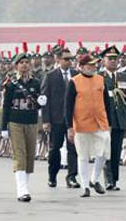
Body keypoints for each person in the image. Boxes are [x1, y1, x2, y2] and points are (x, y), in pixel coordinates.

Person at [1, 43, 48, 202]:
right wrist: (3, 127)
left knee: (29, 155)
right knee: (19, 154)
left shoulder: (36, 82)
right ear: (16, 66)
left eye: (27, 62)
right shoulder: (10, 83)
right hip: (15, 121)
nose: (25, 65)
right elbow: (6, 105)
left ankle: (25, 187)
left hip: (32, 121)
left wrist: (42, 102)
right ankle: (21, 189)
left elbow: (37, 102)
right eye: (21, 62)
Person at [65, 54, 112, 197]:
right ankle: (85, 186)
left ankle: (94, 179)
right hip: (82, 123)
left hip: (100, 122)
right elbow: (68, 106)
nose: (93, 67)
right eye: (89, 65)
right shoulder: (74, 82)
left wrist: (109, 122)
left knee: (103, 152)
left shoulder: (101, 80)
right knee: (83, 156)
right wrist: (70, 127)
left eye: (94, 65)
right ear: (81, 67)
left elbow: (107, 103)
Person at [41, 48, 80, 188]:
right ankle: (52, 176)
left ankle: (72, 177)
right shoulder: (50, 76)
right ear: (58, 59)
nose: (69, 61)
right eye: (66, 59)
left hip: (73, 119)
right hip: (56, 119)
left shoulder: (76, 75)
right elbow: (45, 99)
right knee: (54, 149)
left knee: (73, 148)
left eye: (71, 58)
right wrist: (46, 120)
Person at [100, 45, 126, 191]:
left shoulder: (124, 77)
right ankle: (108, 179)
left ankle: (114, 179)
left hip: (120, 119)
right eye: (110, 59)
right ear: (103, 61)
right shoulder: (99, 77)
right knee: (106, 150)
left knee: (116, 150)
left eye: (115, 59)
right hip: (106, 119)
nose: (113, 61)